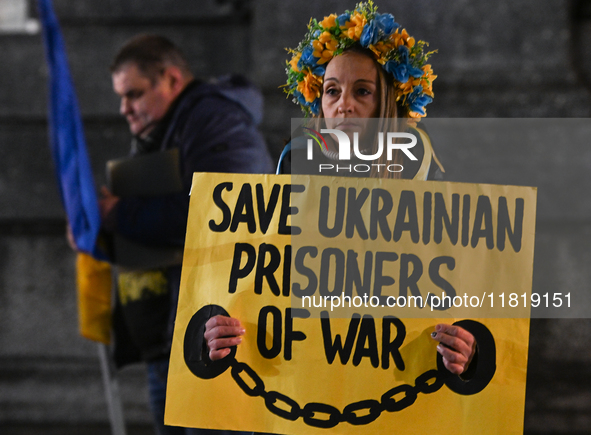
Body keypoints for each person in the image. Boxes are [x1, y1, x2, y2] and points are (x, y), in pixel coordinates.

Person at [204, 3, 476, 380]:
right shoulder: (289, 174)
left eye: (362, 91)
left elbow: (467, 294)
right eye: (331, 91)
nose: (343, 104)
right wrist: (217, 330)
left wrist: (468, 348)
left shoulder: (431, 185)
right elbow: (249, 281)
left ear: (388, 103)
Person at [101, 34, 273, 435]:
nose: (124, 108)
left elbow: (223, 211)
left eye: (134, 94)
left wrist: (118, 214)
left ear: (172, 80)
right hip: (175, 331)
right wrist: (100, 232)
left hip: (211, 334)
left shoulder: (215, 120)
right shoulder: (168, 130)